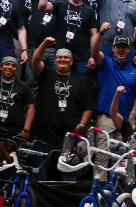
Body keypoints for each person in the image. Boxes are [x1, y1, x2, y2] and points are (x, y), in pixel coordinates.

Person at [30, 38, 93, 180]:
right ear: (55, 61)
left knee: (69, 174)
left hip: (68, 137)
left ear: (72, 61)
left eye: (66, 57)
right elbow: (35, 61)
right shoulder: (46, 74)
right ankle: (35, 201)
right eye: (59, 57)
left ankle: (69, 200)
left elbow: (88, 107)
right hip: (43, 135)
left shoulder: (80, 82)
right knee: (38, 173)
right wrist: (45, 44)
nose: (62, 60)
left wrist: (81, 125)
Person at [91, 22, 136, 179]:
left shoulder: (134, 72)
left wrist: (135, 119)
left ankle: (118, 193)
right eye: (118, 46)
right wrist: (100, 33)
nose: (121, 49)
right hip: (106, 116)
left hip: (125, 120)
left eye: (124, 47)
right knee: (102, 156)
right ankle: (98, 192)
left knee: (122, 160)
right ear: (113, 48)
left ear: (129, 49)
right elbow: (94, 52)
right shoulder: (106, 62)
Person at [37, 0, 98, 77]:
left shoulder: (89, 11)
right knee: (59, 86)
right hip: (62, 57)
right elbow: (42, 6)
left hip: (82, 57)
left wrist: (93, 56)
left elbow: (93, 35)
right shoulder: (61, 5)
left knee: (80, 88)